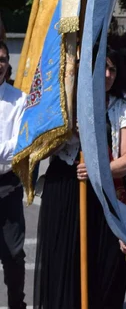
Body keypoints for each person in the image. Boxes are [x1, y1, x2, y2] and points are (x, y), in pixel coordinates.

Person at [35, 50, 126, 308]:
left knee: (106, 268)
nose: (108, 74)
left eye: (113, 69)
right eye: (103, 68)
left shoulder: (120, 105)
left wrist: (98, 171)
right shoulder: (65, 100)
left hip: (104, 196)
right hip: (66, 191)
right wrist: (67, 131)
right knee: (66, 267)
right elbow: (40, 147)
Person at [0, 41, 27, 309]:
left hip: (7, 185)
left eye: (2, 59)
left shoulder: (19, 99)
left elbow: (19, 145)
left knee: (14, 255)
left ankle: (16, 304)